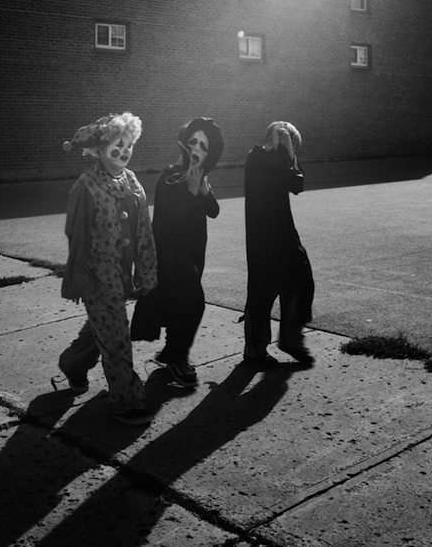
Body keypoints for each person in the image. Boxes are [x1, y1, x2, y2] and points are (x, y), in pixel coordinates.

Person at [55, 111, 158, 426]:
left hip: (121, 272)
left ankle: (72, 363)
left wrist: (147, 272)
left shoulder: (132, 182)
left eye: (129, 145)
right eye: (117, 145)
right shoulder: (86, 186)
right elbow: (76, 235)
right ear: (99, 150)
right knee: (115, 336)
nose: (124, 151)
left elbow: (144, 231)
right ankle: (127, 400)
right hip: (97, 273)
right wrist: (80, 277)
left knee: (102, 326)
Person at [131, 117, 223, 388]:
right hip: (171, 253)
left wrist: (203, 191)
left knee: (179, 303)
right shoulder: (170, 177)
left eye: (204, 146)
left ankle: (171, 352)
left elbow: (214, 211)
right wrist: (192, 192)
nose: (197, 148)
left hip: (193, 251)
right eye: (193, 141)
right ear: (184, 144)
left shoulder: (199, 176)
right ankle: (177, 358)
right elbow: (172, 220)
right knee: (194, 302)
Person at [242, 120, 314, 367]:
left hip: (284, 233)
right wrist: (279, 145)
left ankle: (291, 339)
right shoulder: (256, 158)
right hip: (263, 238)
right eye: (289, 144)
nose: (289, 150)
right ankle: (254, 350)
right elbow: (291, 179)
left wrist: (290, 153)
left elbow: (297, 184)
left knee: (302, 279)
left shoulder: (279, 161)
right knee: (261, 293)